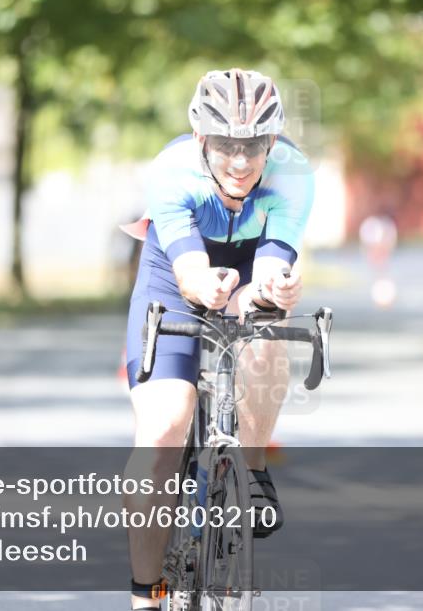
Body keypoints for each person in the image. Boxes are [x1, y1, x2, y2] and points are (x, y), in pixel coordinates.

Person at [121, 68, 314, 610]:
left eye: (253, 144)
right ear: (201, 139)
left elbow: (272, 267)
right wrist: (208, 286)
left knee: (267, 329)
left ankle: (250, 473)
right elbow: (191, 276)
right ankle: (146, 596)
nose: (240, 159)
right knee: (162, 432)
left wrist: (273, 288)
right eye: (226, 143)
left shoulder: (293, 174)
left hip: (250, 262)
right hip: (174, 269)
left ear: (272, 141)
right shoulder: (172, 171)